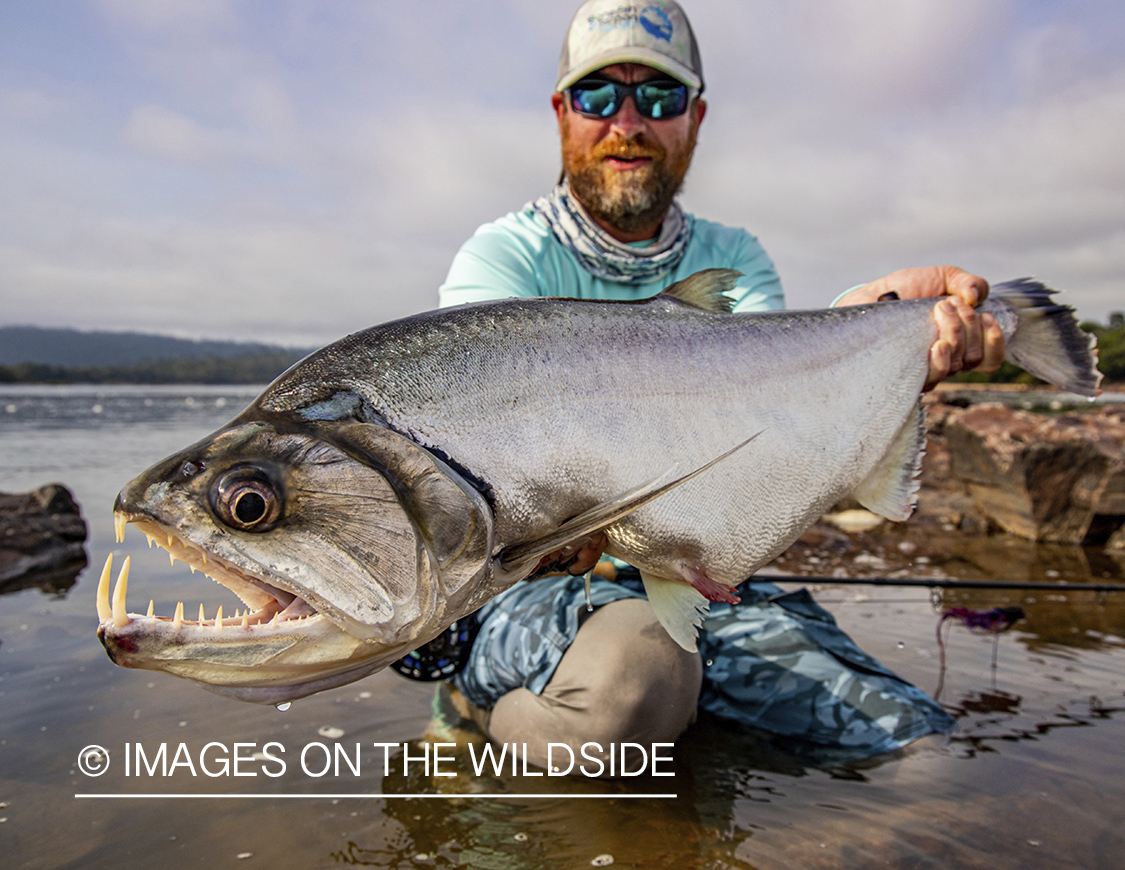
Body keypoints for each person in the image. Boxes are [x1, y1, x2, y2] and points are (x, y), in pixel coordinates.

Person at [419, 0, 1004, 771]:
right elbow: (488, 474)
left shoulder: (735, 255)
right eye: (600, 96)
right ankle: (475, 710)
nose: (628, 121)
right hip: (531, 588)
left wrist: (875, 327)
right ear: (562, 111)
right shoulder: (501, 259)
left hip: (707, 584)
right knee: (637, 687)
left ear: (694, 117)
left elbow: (770, 408)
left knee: (921, 760)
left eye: (658, 98)